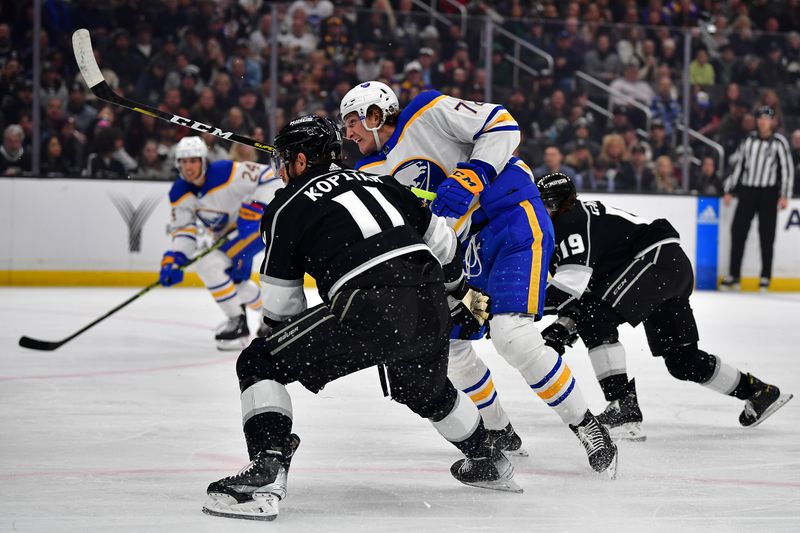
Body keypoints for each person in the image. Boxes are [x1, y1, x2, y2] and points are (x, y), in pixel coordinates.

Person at [202, 115, 521, 522]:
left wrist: (289, 347)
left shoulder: (286, 206)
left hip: (369, 303)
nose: (280, 168)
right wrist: (458, 289)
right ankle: (488, 460)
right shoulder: (383, 182)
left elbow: (282, 307)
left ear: (300, 161)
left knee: (259, 361)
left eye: (285, 159)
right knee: (426, 391)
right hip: (431, 299)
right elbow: (442, 241)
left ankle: (266, 474)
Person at [340, 81, 617, 473]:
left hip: (511, 220)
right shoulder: (370, 171)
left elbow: (503, 125)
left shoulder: (427, 110)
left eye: (352, 121)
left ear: (375, 114)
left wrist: (473, 174)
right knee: (451, 348)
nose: (348, 133)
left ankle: (587, 426)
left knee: (512, 338)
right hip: (465, 251)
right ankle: (500, 429)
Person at [537, 172, 793, 442]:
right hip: (667, 265)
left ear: (554, 204)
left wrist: (526, 313)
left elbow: (571, 289)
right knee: (682, 361)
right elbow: (583, 291)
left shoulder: (570, 223)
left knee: (594, 316)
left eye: (542, 205)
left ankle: (622, 407)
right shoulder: (572, 220)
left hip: (655, 262)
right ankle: (758, 393)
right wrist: (564, 324)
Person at [159, 136, 280, 349]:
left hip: (252, 229)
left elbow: (272, 176)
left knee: (209, 265)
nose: (189, 167)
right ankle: (270, 319)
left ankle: (238, 323)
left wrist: (258, 206)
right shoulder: (179, 192)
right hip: (230, 236)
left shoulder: (226, 172)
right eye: (184, 162)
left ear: (203, 161)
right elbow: (184, 230)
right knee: (234, 283)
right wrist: (177, 257)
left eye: (193, 160)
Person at [720, 106, 794, 291]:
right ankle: (734, 275)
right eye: (760, 118)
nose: (763, 122)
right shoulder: (748, 140)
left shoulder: (779, 142)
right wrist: (729, 189)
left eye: (766, 118)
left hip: (768, 193)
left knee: (767, 235)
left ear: (772, 121)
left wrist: (784, 195)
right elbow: (738, 166)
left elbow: (786, 170)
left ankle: (765, 276)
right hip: (747, 190)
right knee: (738, 231)